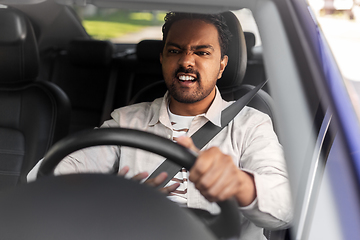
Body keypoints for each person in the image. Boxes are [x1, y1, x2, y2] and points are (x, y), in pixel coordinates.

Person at [28, 12, 292, 239]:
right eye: (175, 50)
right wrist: (114, 196)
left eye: (202, 52)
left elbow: (286, 207)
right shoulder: (127, 121)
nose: (187, 61)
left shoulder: (251, 124)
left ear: (222, 65)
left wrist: (239, 184)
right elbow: (45, 177)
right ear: (162, 58)